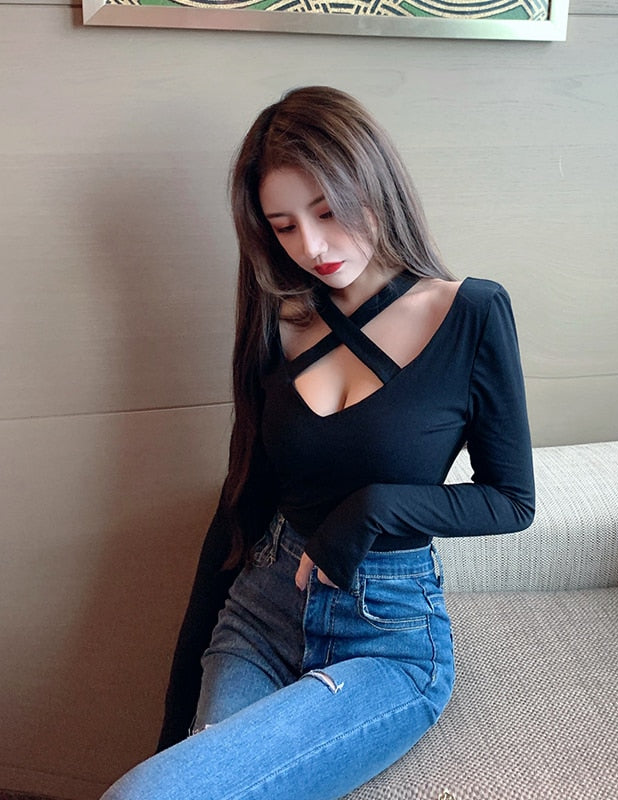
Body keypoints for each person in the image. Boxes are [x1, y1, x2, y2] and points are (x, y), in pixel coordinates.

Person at [102, 85, 535, 800]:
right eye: (284, 226)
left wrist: (372, 511)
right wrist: (174, 730)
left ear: (375, 185)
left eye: (328, 212)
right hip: (263, 610)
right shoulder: (277, 320)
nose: (312, 247)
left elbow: (511, 501)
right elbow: (241, 501)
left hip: (385, 635)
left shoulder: (471, 313)